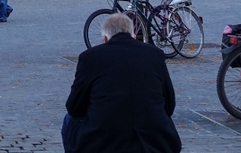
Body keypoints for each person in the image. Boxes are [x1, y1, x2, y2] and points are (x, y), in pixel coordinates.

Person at [62, 12, 181, 153]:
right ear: (134, 36)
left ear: (105, 39)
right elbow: (169, 105)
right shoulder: (155, 54)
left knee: (69, 119)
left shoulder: (90, 57)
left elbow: (74, 108)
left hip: (101, 141)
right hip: (154, 140)